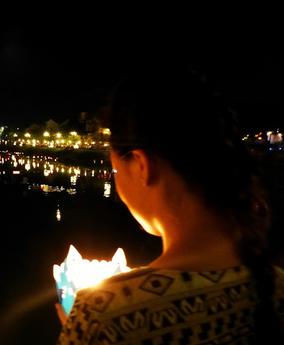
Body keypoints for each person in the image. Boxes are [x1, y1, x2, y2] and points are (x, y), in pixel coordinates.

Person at [56, 60, 284, 344]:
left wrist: (81, 330)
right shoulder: (274, 283)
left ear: (141, 165)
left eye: (115, 170)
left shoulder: (105, 314)